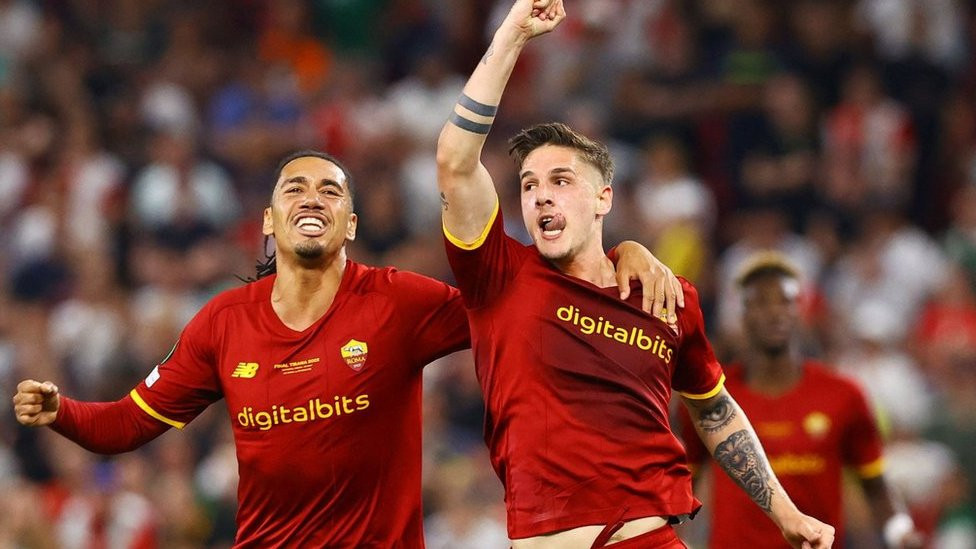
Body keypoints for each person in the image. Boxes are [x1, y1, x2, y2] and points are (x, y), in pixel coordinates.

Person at [12, 149, 679, 548]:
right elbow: (126, 423)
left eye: (330, 190)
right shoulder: (222, 323)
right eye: (294, 189)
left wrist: (617, 253)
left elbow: (512, 296)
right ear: (268, 221)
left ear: (351, 223)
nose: (313, 198)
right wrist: (61, 411)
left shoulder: (397, 302)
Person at [435, 1, 835, 547]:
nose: (541, 196)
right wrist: (512, 35)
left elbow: (715, 412)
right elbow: (456, 161)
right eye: (529, 186)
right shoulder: (498, 275)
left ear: (604, 198)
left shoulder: (666, 296)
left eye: (560, 181)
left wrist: (786, 513)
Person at [678, 251, 923, 549]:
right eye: (761, 302)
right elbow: (681, 486)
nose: (775, 312)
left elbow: (875, 486)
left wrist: (900, 532)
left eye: (785, 301)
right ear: (743, 313)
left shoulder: (843, 395)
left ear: (800, 310)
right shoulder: (708, 396)